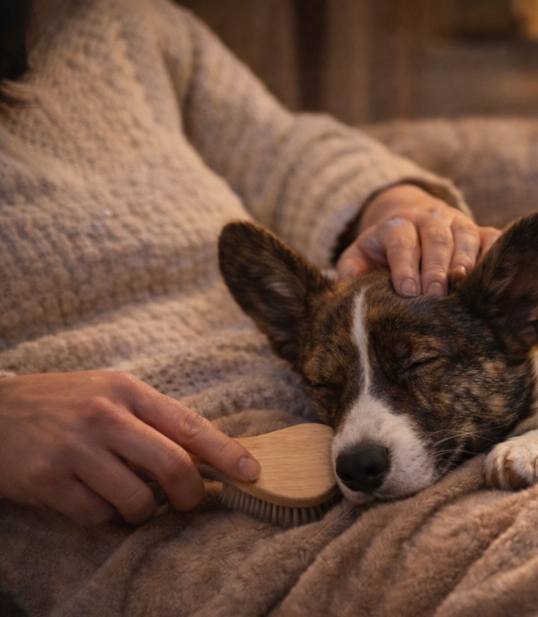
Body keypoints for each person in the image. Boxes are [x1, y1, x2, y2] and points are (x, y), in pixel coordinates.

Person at [0, 0, 499, 526]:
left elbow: (281, 151)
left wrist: (391, 202)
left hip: (311, 411)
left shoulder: (118, 19)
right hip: (124, 484)